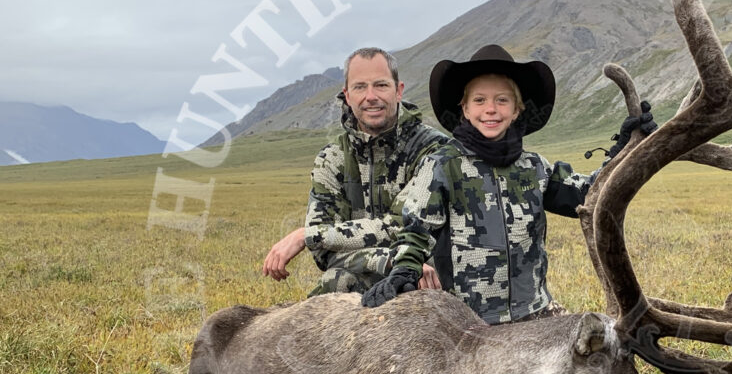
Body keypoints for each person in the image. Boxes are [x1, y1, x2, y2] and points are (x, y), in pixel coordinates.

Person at [361, 44, 654, 324]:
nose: (491, 109)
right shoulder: (442, 165)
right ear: (464, 109)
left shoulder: (536, 167)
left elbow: (592, 192)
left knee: (597, 349)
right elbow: (416, 232)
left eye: (502, 100)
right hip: (467, 321)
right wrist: (404, 270)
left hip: (537, 310)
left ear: (517, 110)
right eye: (479, 100)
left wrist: (627, 151)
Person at [261, 47, 448, 295]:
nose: (371, 96)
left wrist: (307, 235)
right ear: (347, 96)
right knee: (335, 280)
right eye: (360, 87)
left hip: (427, 278)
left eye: (381, 85)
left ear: (399, 90)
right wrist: (389, 261)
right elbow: (325, 254)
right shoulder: (331, 159)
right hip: (368, 275)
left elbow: (399, 226)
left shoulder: (433, 150)